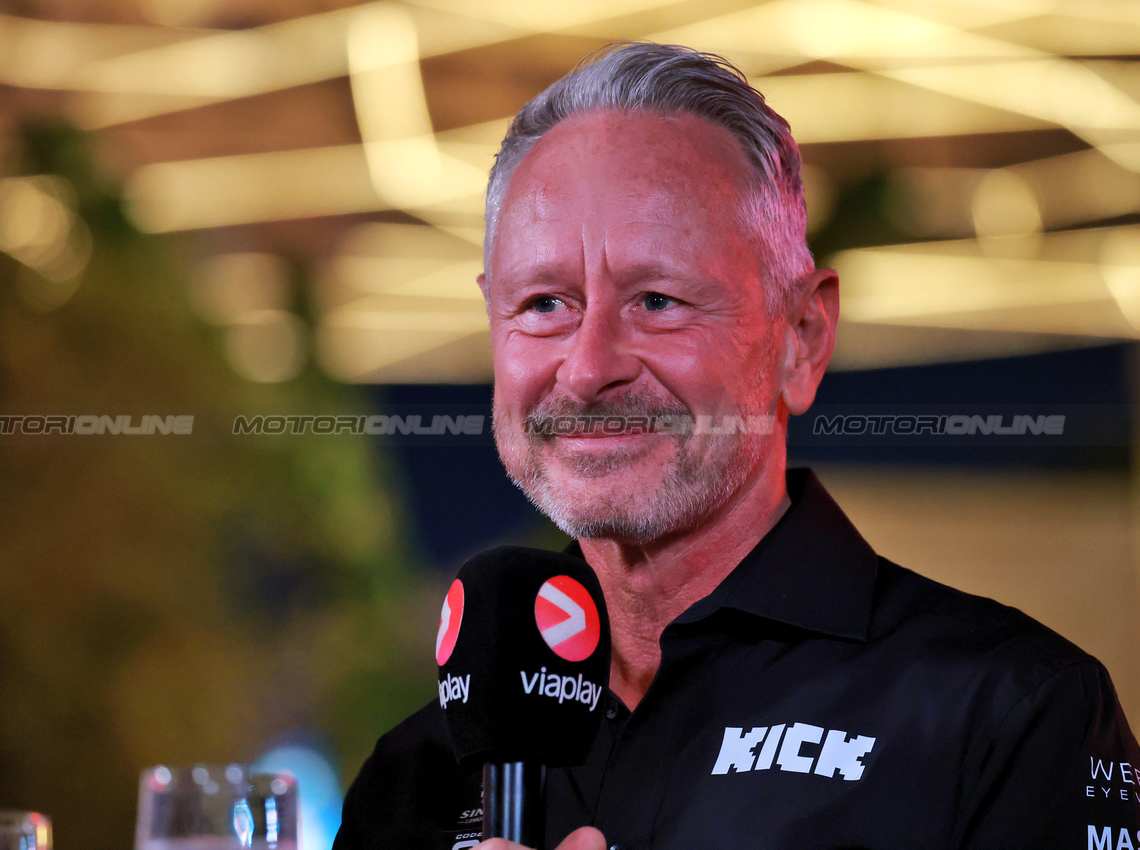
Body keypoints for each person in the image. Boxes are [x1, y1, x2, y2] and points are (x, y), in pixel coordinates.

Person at [333, 43, 1140, 850]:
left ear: (800, 338)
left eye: (657, 299)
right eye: (543, 303)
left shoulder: (1011, 712)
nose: (586, 370)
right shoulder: (414, 777)